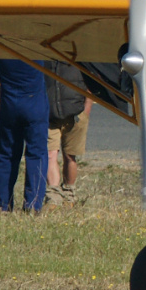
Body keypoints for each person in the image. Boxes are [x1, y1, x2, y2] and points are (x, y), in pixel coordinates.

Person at [0, 58, 48, 213]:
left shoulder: (1, 54)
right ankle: (33, 204)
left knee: (6, 154)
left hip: (9, 104)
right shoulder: (34, 50)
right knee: (37, 154)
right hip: (34, 104)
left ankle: (3, 205)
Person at [45, 61, 92, 205]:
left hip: (75, 114)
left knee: (70, 156)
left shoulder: (78, 60)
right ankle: (53, 194)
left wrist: (85, 111)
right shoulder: (44, 60)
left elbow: (90, 85)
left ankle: (69, 192)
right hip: (49, 114)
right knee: (50, 154)